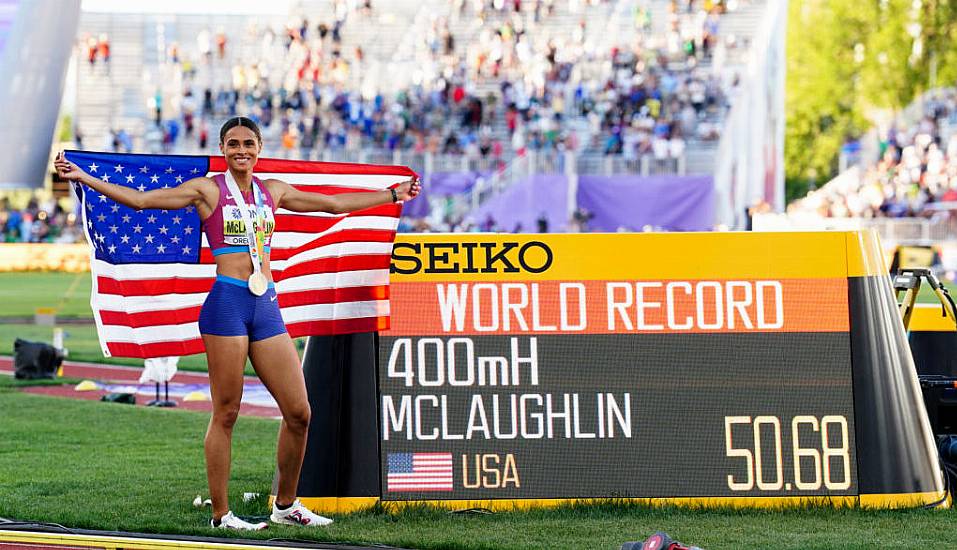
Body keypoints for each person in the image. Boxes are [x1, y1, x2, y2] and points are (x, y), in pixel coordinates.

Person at [54, 116, 421, 530]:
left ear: (259, 149)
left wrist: (391, 194)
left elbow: (332, 205)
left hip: (265, 304)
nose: (241, 150)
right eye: (233, 144)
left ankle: (285, 506)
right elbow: (142, 201)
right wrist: (83, 176)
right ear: (223, 148)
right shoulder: (208, 189)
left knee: (299, 412)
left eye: (248, 143)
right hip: (226, 305)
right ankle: (221, 514)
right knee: (226, 412)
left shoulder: (273, 191)